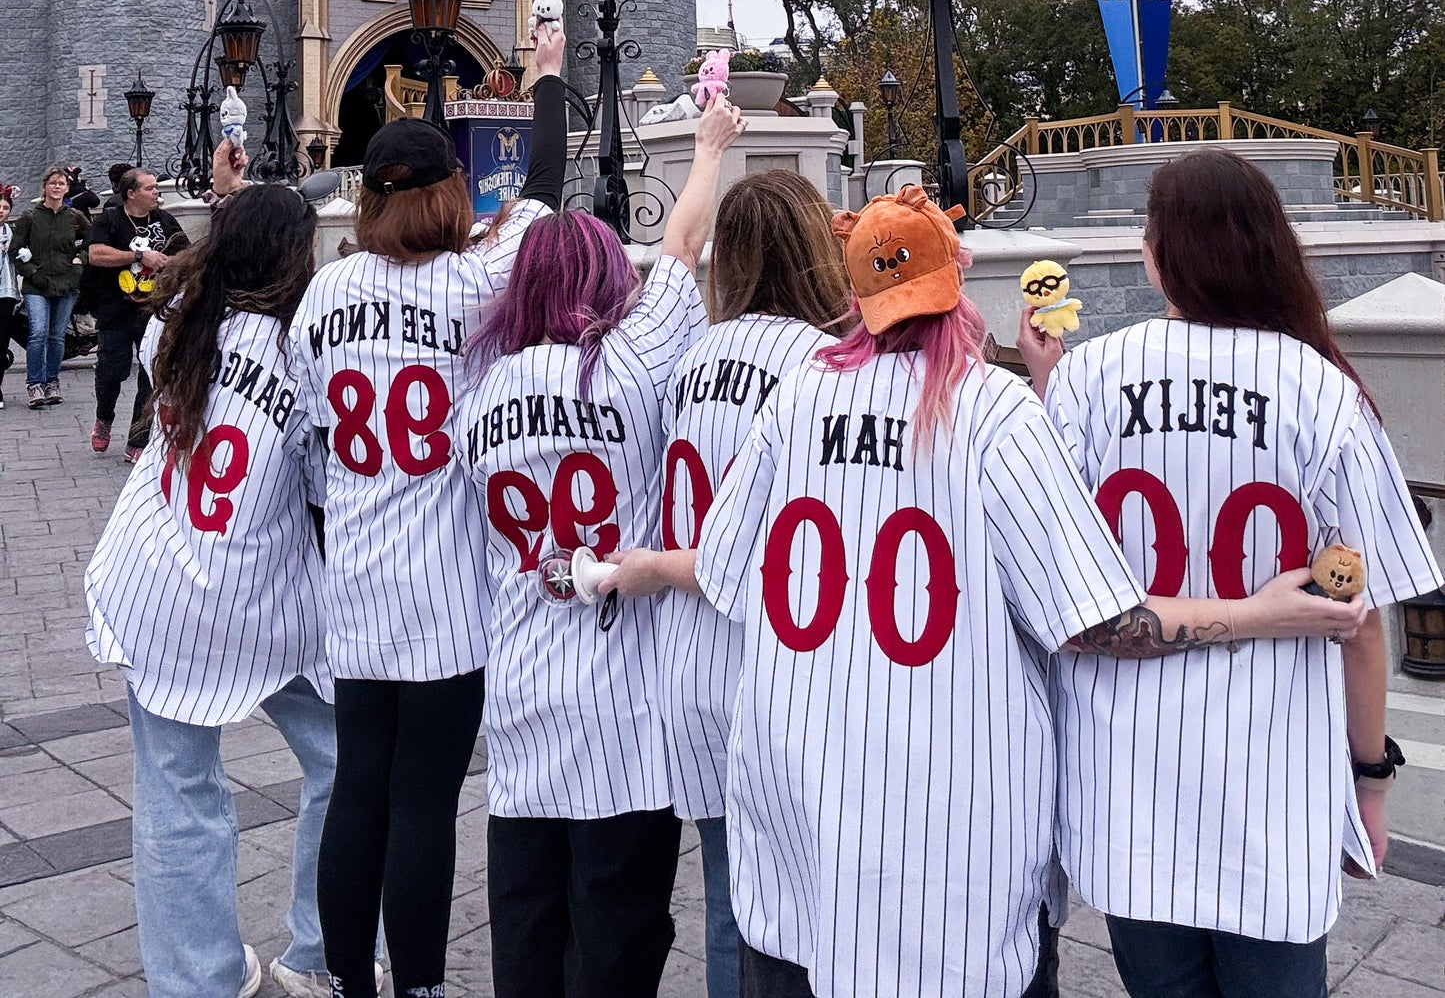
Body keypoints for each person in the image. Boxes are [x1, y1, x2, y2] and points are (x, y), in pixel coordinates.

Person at [602, 185, 1361, 998]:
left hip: (797, 824)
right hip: (951, 841)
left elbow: (721, 569)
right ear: (952, 283)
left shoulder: (797, 396)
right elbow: (1099, 622)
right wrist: (1259, 612)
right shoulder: (993, 410)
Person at [1017, 150, 1443, 998]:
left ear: (1156, 253)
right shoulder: (1321, 390)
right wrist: (1369, 778)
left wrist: (1048, 385)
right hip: (1273, 796)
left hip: (1124, 789)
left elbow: (1057, 593)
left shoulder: (1088, 379)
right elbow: (1359, 624)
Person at [293, 22, 569, 998]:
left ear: (367, 198)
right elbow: (541, 196)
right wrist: (542, 79)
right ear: (450, 191)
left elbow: (307, 438)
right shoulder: (475, 288)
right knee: (422, 802)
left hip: (357, 580)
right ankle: (416, 983)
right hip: (449, 590)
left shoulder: (324, 296)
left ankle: (347, 980)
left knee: (353, 792)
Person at [459, 93, 746, 998]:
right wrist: (706, 144)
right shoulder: (627, 361)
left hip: (518, 688)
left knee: (528, 926)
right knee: (617, 931)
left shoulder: (480, 396)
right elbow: (685, 246)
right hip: (623, 704)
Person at [86, 184, 344, 998]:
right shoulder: (303, 349)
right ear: (296, 258)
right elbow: (325, 491)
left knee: (174, 789)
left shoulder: (179, 319)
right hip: (258, 596)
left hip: (156, 579)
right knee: (346, 761)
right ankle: (322, 949)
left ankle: (196, 976)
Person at [656, 170, 854, 998]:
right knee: (811, 907)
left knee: (730, 899)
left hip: (689, 661)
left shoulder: (686, 355)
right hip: (783, 663)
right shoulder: (825, 366)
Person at [85, 166, 189, 458]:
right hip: (115, 310)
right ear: (131, 193)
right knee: (112, 372)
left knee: (149, 374)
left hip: (153, 311)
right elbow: (95, 254)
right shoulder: (111, 219)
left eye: (156, 187)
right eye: (150, 188)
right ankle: (104, 416)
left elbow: (186, 254)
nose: (157, 192)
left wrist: (170, 263)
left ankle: (138, 440)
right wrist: (139, 255)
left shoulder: (165, 221)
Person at [10, 165, 89, 407]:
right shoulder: (30, 217)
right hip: (38, 284)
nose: (57, 187)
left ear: (67, 189)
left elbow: (93, 240)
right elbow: (15, 250)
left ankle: (52, 382)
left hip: (66, 282)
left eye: (61, 183)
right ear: (44, 186)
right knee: (38, 332)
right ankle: (35, 384)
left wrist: (80, 261)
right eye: (53, 183)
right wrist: (31, 271)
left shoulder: (74, 216)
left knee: (57, 336)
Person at [0, 188, 22, 406]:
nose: (1, 211)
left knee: (2, 341)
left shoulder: (12, 233)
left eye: (5, 208)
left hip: (6, 292)